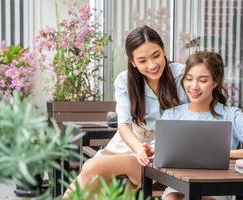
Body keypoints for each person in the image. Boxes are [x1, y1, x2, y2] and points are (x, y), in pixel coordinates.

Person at [63, 25, 188, 198]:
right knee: (89, 174)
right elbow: (124, 125)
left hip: (169, 144)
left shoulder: (183, 74)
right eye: (142, 61)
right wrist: (138, 148)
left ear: (164, 50)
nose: (152, 65)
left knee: (91, 169)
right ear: (132, 62)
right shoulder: (124, 80)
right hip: (132, 140)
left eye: (156, 55)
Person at [152, 51, 243, 200]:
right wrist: (151, 149)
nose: (194, 86)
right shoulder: (172, 115)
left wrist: (227, 154)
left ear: (216, 81)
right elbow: (158, 149)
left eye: (203, 80)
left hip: (216, 190)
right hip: (179, 187)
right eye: (189, 79)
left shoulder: (231, 116)